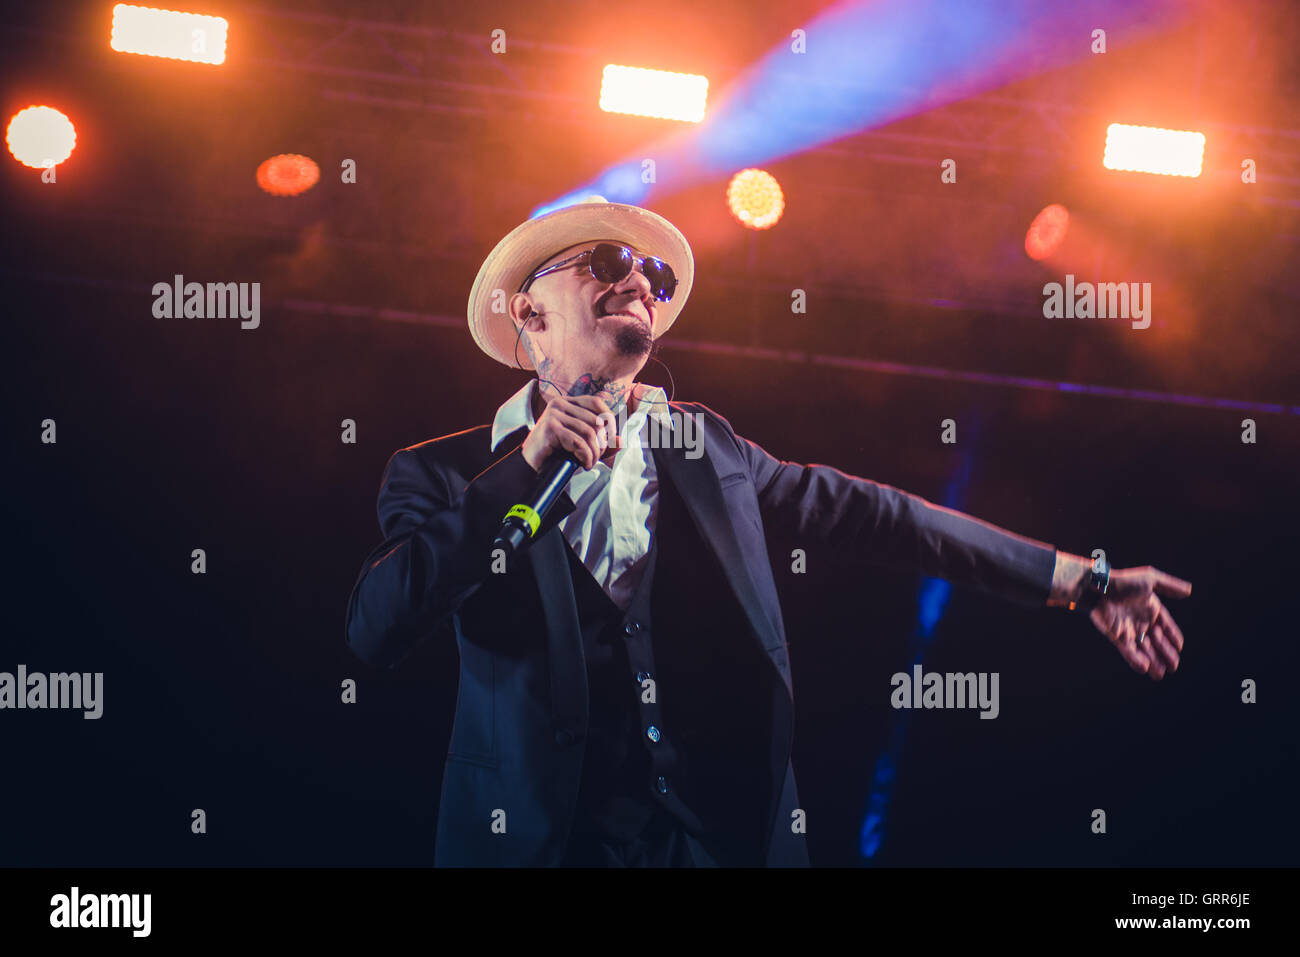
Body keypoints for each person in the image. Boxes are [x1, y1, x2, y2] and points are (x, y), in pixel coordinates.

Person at [344, 195, 1192, 867]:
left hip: (714, 845)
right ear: (530, 315)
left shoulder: (704, 445)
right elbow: (377, 624)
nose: (640, 280)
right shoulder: (442, 472)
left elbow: (882, 517)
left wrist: (1079, 579)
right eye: (608, 263)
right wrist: (526, 464)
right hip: (535, 843)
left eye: (653, 276)